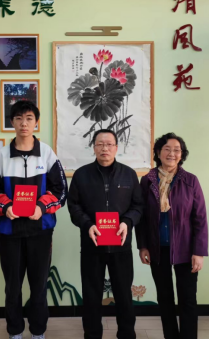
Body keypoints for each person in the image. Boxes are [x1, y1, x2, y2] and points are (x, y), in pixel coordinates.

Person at [0, 100, 67, 339]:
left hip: (41, 231)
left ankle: (38, 332)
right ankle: (15, 331)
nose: (24, 123)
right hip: (10, 233)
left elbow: (61, 190)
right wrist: (5, 207)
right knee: (12, 287)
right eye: (19, 118)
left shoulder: (47, 153)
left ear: (36, 122)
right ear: (12, 122)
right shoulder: (2, 156)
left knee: (39, 286)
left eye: (29, 118)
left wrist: (42, 207)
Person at [67, 129, 143, 339]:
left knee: (124, 295)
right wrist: (87, 224)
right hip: (92, 245)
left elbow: (138, 206)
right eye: (100, 144)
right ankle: (92, 335)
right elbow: (73, 206)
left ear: (116, 148)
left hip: (121, 245)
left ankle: (127, 334)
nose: (105, 148)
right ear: (94, 147)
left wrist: (127, 222)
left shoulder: (129, 174)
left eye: (109, 144)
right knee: (91, 295)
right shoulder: (81, 175)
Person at [136, 132, 208, 339]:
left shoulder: (190, 181)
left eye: (177, 150)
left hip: (186, 249)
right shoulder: (147, 181)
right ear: (158, 153)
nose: (172, 153)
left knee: (188, 298)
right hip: (157, 248)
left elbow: (200, 218)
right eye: (167, 149)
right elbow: (141, 217)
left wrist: (199, 252)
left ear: (182, 155)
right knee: (165, 298)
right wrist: (143, 246)